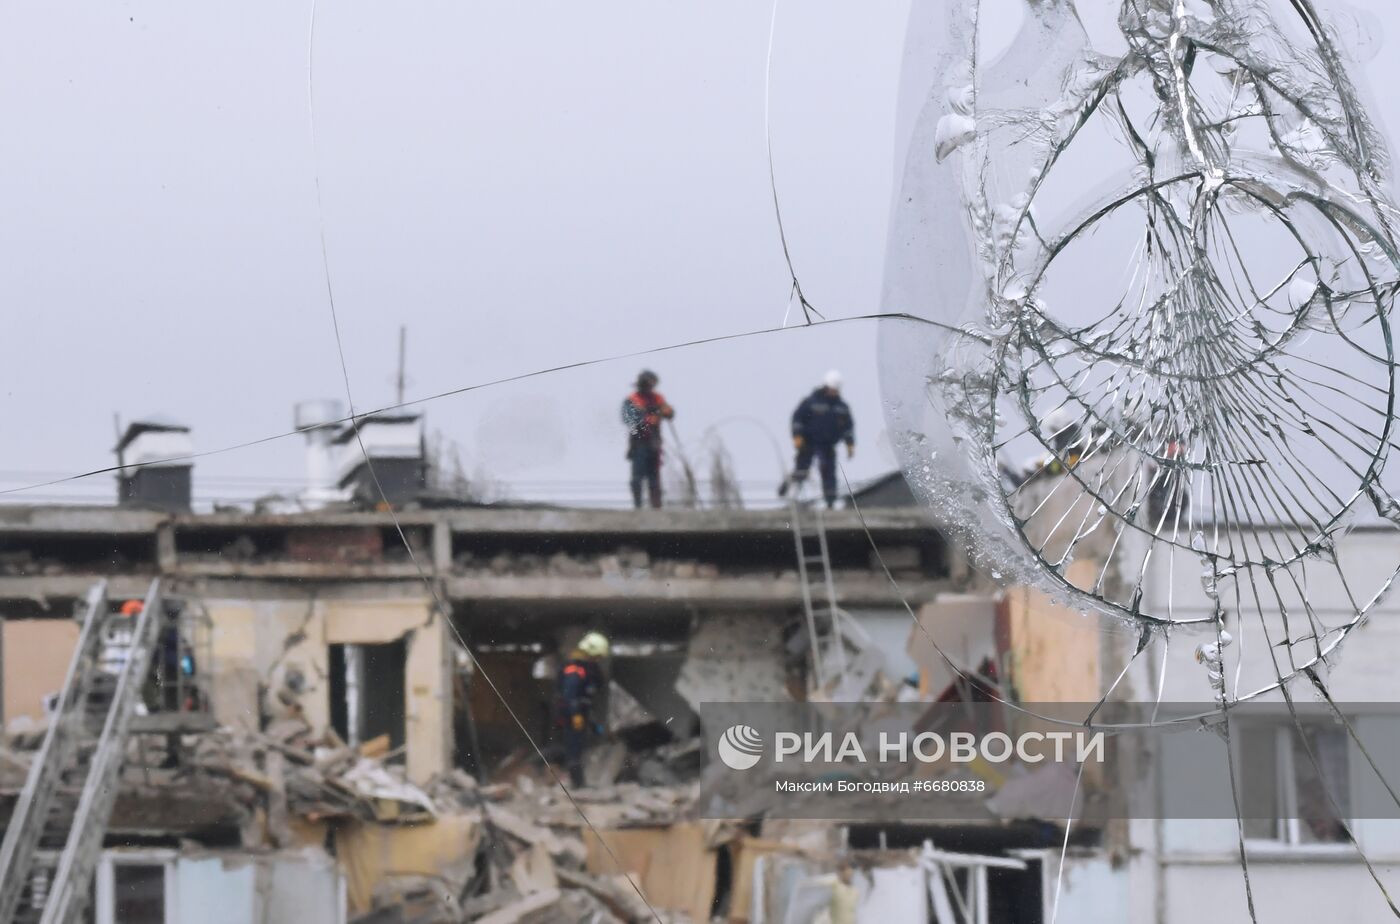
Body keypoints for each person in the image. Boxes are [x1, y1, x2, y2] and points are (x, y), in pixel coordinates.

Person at [783, 370, 854, 508]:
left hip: (827, 445)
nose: (834, 392)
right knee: (801, 469)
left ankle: (830, 502)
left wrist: (850, 444)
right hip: (808, 442)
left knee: (828, 472)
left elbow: (847, 427)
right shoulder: (811, 402)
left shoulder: (841, 407)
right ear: (826, 387)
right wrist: (797, 435)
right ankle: (789, 493)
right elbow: (797, 418)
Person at [555, 631, 609, 787]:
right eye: (598, 655)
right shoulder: (574, 668)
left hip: (582, 711)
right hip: (574, 713)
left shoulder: (587, 667)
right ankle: (577, 784)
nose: (599, 659)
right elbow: (570, 695)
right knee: (574, 745)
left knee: (579, 743)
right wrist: (576, 715)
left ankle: (579, 781)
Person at [621, 370, 675, 509]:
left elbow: (669, 412)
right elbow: (628, 418)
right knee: (637, 478)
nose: (647, 387)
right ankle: (638, 506)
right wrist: (646, 416)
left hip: (654, 443)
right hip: (639, 442)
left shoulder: (657, 399)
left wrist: (663, 411)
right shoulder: (632, 400)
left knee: (654, 478)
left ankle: (656, 507)